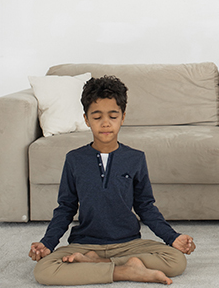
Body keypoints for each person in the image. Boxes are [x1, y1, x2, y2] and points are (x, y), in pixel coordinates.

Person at [29, 75, 195, 285]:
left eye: (113, 116)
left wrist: (172, 237)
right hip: (85, 244)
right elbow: (65, 208)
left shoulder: (135, 158)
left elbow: (145, 206)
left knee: (176, 261)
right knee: (43, 271)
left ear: (122, 117)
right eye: (97, 117)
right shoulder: (74, 159)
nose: (105, 123)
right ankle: (126, 271)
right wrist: (47, 243)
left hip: (128, 244)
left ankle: (96, 263)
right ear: (86, 119)